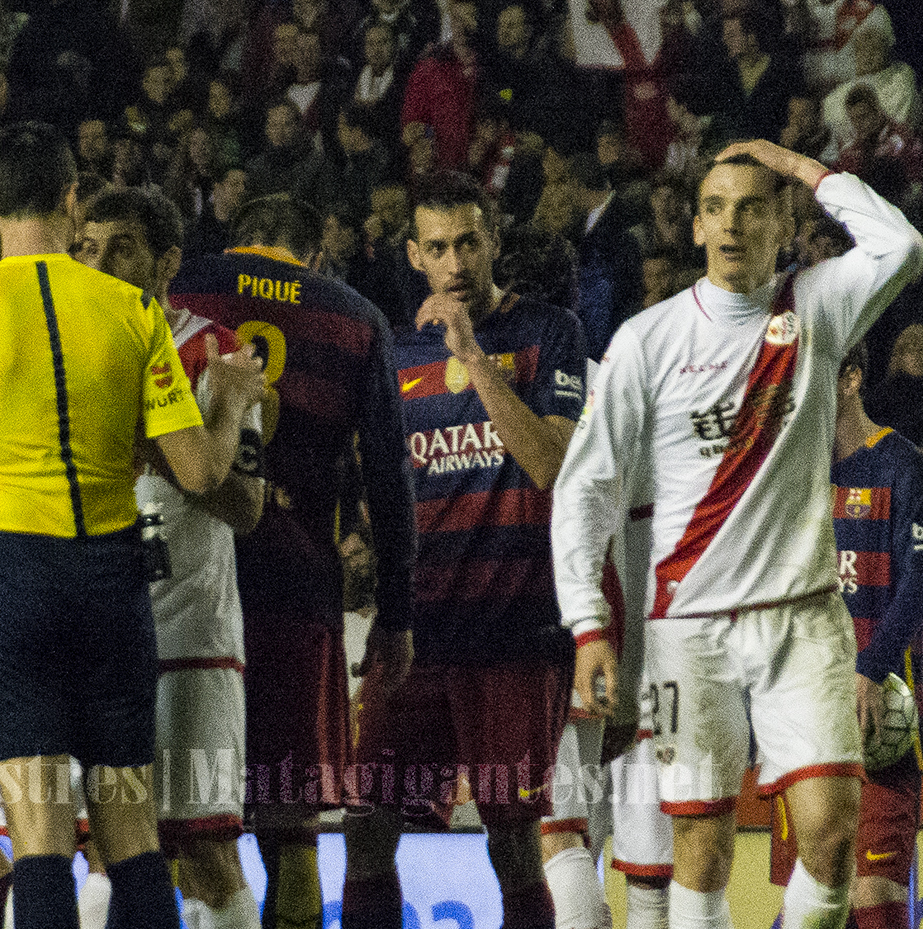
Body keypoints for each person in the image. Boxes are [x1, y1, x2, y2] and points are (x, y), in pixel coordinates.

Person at [0, 122, 263, 929]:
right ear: (69, 199)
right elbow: (200, 473)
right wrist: (229, 404)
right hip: (109, 581)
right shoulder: (133, 312)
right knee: (131, 835)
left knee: (40, 843)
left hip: (10, 586)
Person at [554, 140, 923, 929]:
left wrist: (801, 167)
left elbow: (903, 245)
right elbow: (583, 485)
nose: (731, 225)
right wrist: (588, 623)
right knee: (702, 849)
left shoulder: (816, 304)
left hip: (802, 616)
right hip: (686, 627)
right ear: (694, 228)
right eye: (715, 209)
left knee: (829, 837)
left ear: (784, 223)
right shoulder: (645, 340)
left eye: (752, 207)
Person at [166, 192, 416, 929]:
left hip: (191, 588)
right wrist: (395, 614)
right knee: (292, 829)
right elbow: (387, 478)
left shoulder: (183, 289)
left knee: (177, 824)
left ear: (240, 238)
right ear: (316, 252)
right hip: (297, 597)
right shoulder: (353, 315)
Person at [343, 171, 583, 929]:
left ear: (494, 242)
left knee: (513, 840)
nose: (455, 263)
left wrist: (475, 358)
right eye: (438, 247)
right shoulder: (391, 352)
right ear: (414, 254)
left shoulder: (550, 333)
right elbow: (378, 487)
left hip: (514, 634)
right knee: (365, 826)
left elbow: (549, 463)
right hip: (419, 636)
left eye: (468, 242)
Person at [75, 187, 267, 929]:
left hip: (191, 638)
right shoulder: (69, 346)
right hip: (90, 631)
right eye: (88, 246)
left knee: (205, 853)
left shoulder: (217, 351)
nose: (100, 261)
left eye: (120, 246)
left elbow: (246, 507)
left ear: (165, 261)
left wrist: (166, 437)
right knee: (96, 849)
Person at [768, 344, 923, 929]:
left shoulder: (901, 464)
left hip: (878, 717)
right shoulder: (793, 469)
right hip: (805, 716)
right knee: (817, 897)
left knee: (873, 893)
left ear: (849, 379)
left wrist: (871, 667)